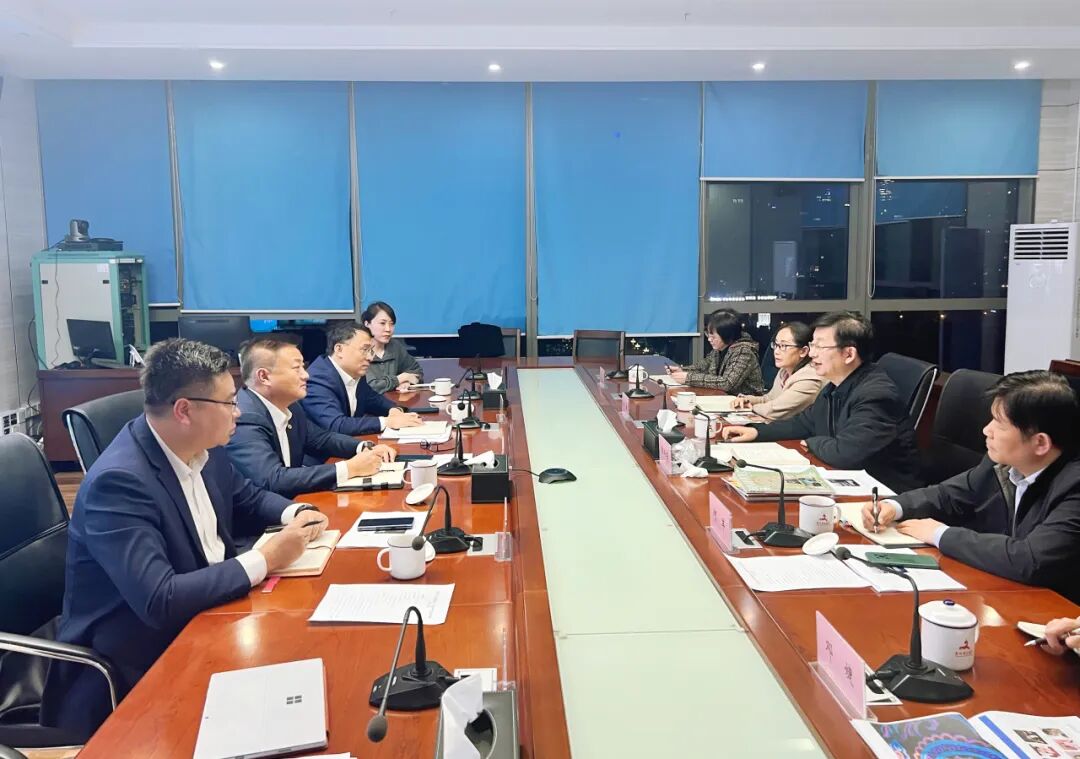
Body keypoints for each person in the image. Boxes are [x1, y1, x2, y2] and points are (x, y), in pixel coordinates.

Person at [43, 338, 328, 737]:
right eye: (230, 402)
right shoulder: (119, 483)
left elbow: (246, 496)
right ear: (184, 410)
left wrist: (294, 512)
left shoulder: (204, 446)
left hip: (211, 618)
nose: (239, 412)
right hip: (140, 662)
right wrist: (266, 558)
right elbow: (160, 600)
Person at [858, 371, 1080, 603]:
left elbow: (1029, 560)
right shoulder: (1002, 464)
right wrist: (894, 506)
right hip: (1005, 590)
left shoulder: (1074, 487)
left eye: (1000, 424)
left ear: (1040, 443)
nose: (987, 430)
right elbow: (948, 495)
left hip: (1055, 608)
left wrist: (940, 534)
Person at [722, 311, 922, 493]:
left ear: (849, 354)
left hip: (885, 495)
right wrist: (756, 432)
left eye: (820, 346)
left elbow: (845, 453)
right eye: (812, 345)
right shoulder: (836, 384)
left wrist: (812, 442)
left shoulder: (876, 395)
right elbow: (804, 423)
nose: (812, 353)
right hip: (847, 479)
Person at [227, 338, 398, 498]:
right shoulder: (244, 417)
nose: (306, 375)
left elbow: (321, 439)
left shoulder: (290, 405)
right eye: (296, 368)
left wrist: (364, 447)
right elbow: (273, 479)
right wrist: (349, 468)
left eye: (303, 367)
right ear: (264, 377)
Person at [302, 321, 422, 436]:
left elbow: (374, 400)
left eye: (371, 351)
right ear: (339, 349)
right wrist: (387, 422)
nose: (370, 357)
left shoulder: (355, 373)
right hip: (323, 450)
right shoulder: (317, 380)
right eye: (364, 350)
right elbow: (336, 424)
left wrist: (394, 410)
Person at [732, 321, 823, 421]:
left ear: (803, 351)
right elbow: (769, 399)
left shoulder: (810, 378)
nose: (776, 351)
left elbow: (774, 410)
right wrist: (747, 400)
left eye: (784, 346)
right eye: (776, 345)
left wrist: (750, 407)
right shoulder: (784, 371)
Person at [667, 309, 765, 395]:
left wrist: (688, 378)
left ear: (726, 335)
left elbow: (727, 383)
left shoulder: (744, 351)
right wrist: (682, 370)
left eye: (713, 336)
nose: (709, 339)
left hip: (746, 402)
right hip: (723, 397)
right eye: (708, 334)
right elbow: (703, 366)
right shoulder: (720, 348)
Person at [362, 301, 425, 394]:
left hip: (394, 401)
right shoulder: (360, 350)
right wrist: (400, 379)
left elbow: (416, 371)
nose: (388, 329)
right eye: (382, 323)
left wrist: (407, 382)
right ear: (367, 324)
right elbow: (370, 387)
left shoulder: (395, 346)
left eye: (391, 324)